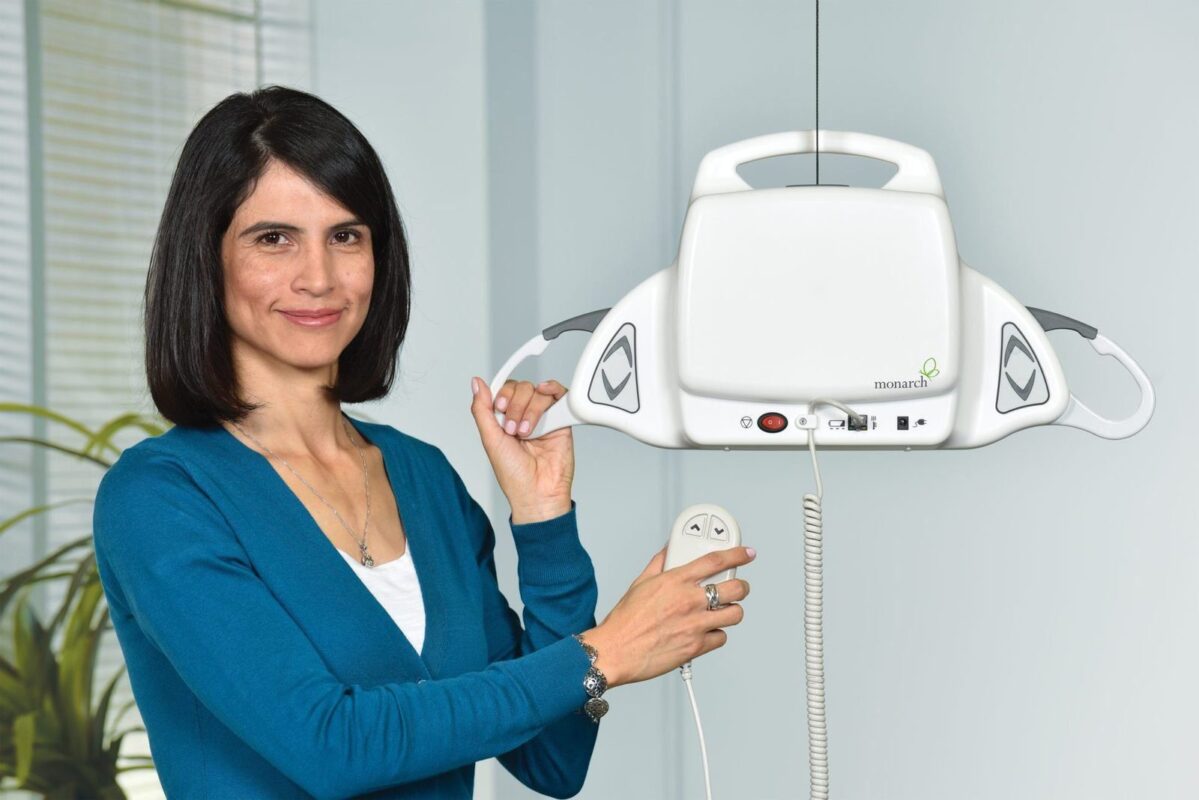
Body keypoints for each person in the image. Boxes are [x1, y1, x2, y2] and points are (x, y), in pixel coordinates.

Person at [91, 85, 754, 800]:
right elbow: (332, 746)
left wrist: (543, 521)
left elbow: (554, 763)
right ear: (208, 258)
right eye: (273, 238)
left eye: (346, 236)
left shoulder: (423, 477)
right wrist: (605, 652)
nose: (318, 277)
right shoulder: (161, 496)